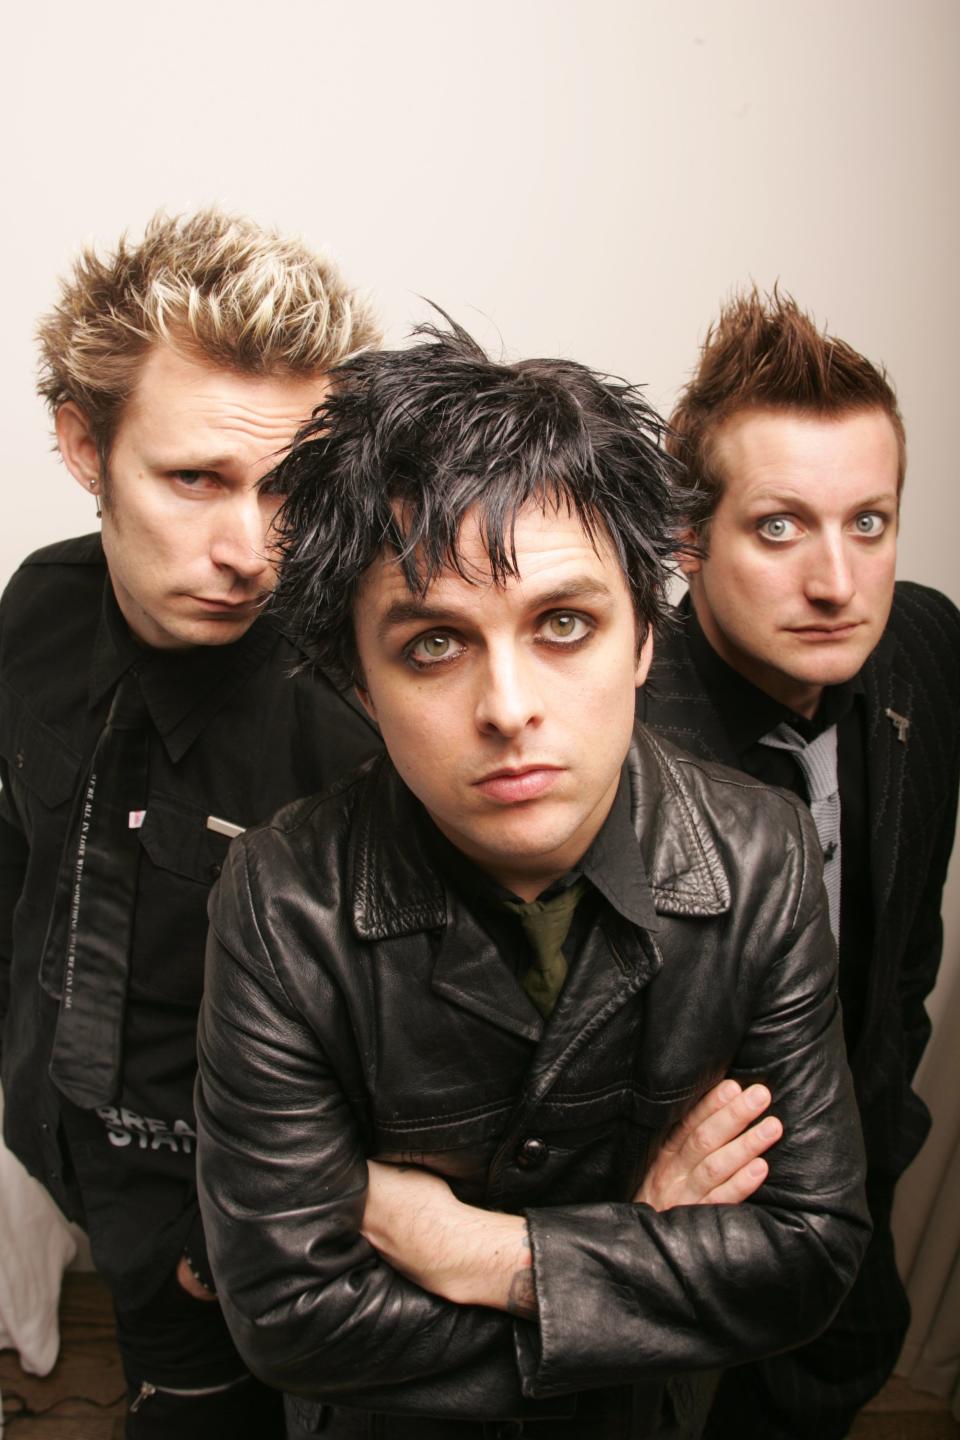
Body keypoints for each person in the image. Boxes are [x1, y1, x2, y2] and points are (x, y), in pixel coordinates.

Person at [195, 319, 871, 1440]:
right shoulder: (280, 902)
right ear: (357, 685)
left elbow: (810, 1256)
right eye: (433, 645)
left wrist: (494, 1255)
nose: (509, 708)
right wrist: (646, 1239)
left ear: (646, 640)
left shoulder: (760, 858)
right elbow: (290, 1315)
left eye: (563, 624)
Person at [0, 209, 384, 1438]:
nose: (251, 549)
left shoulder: (365, 703)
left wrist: (265, 1226)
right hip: (85, 1164)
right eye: (195, 480)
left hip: (273, 1225)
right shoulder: (39, 611)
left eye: (289, 488)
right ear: (80, 443)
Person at [638, 290, 960, 1440]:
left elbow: (902, 940)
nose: (837, 581)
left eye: (868, 522)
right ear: (687, 537)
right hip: (663, 1271)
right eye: (780, 527)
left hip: (850, 1243)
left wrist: (882, 1133)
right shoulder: (605, 742)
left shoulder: (925, 649)